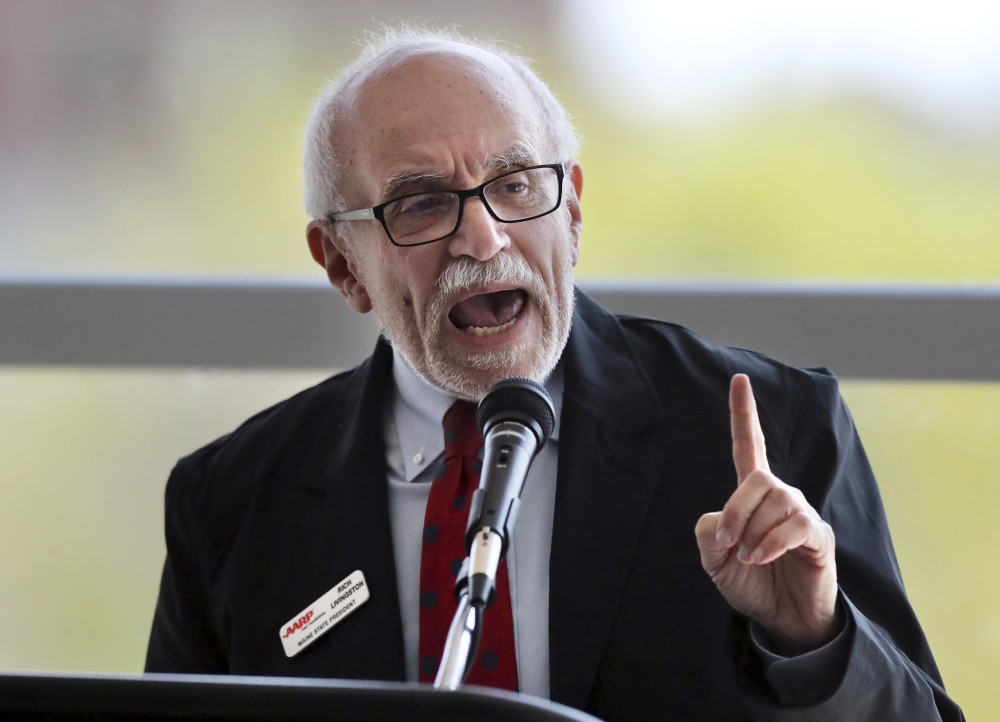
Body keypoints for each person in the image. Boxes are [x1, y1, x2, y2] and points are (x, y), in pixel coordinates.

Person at [145, 26, 964, 721]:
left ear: (571, 208)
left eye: (514, 184)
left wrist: (817, 640)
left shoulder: (774, 429)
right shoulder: (229, 501)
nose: (485, 238)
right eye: (423, 203)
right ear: (342, 265)